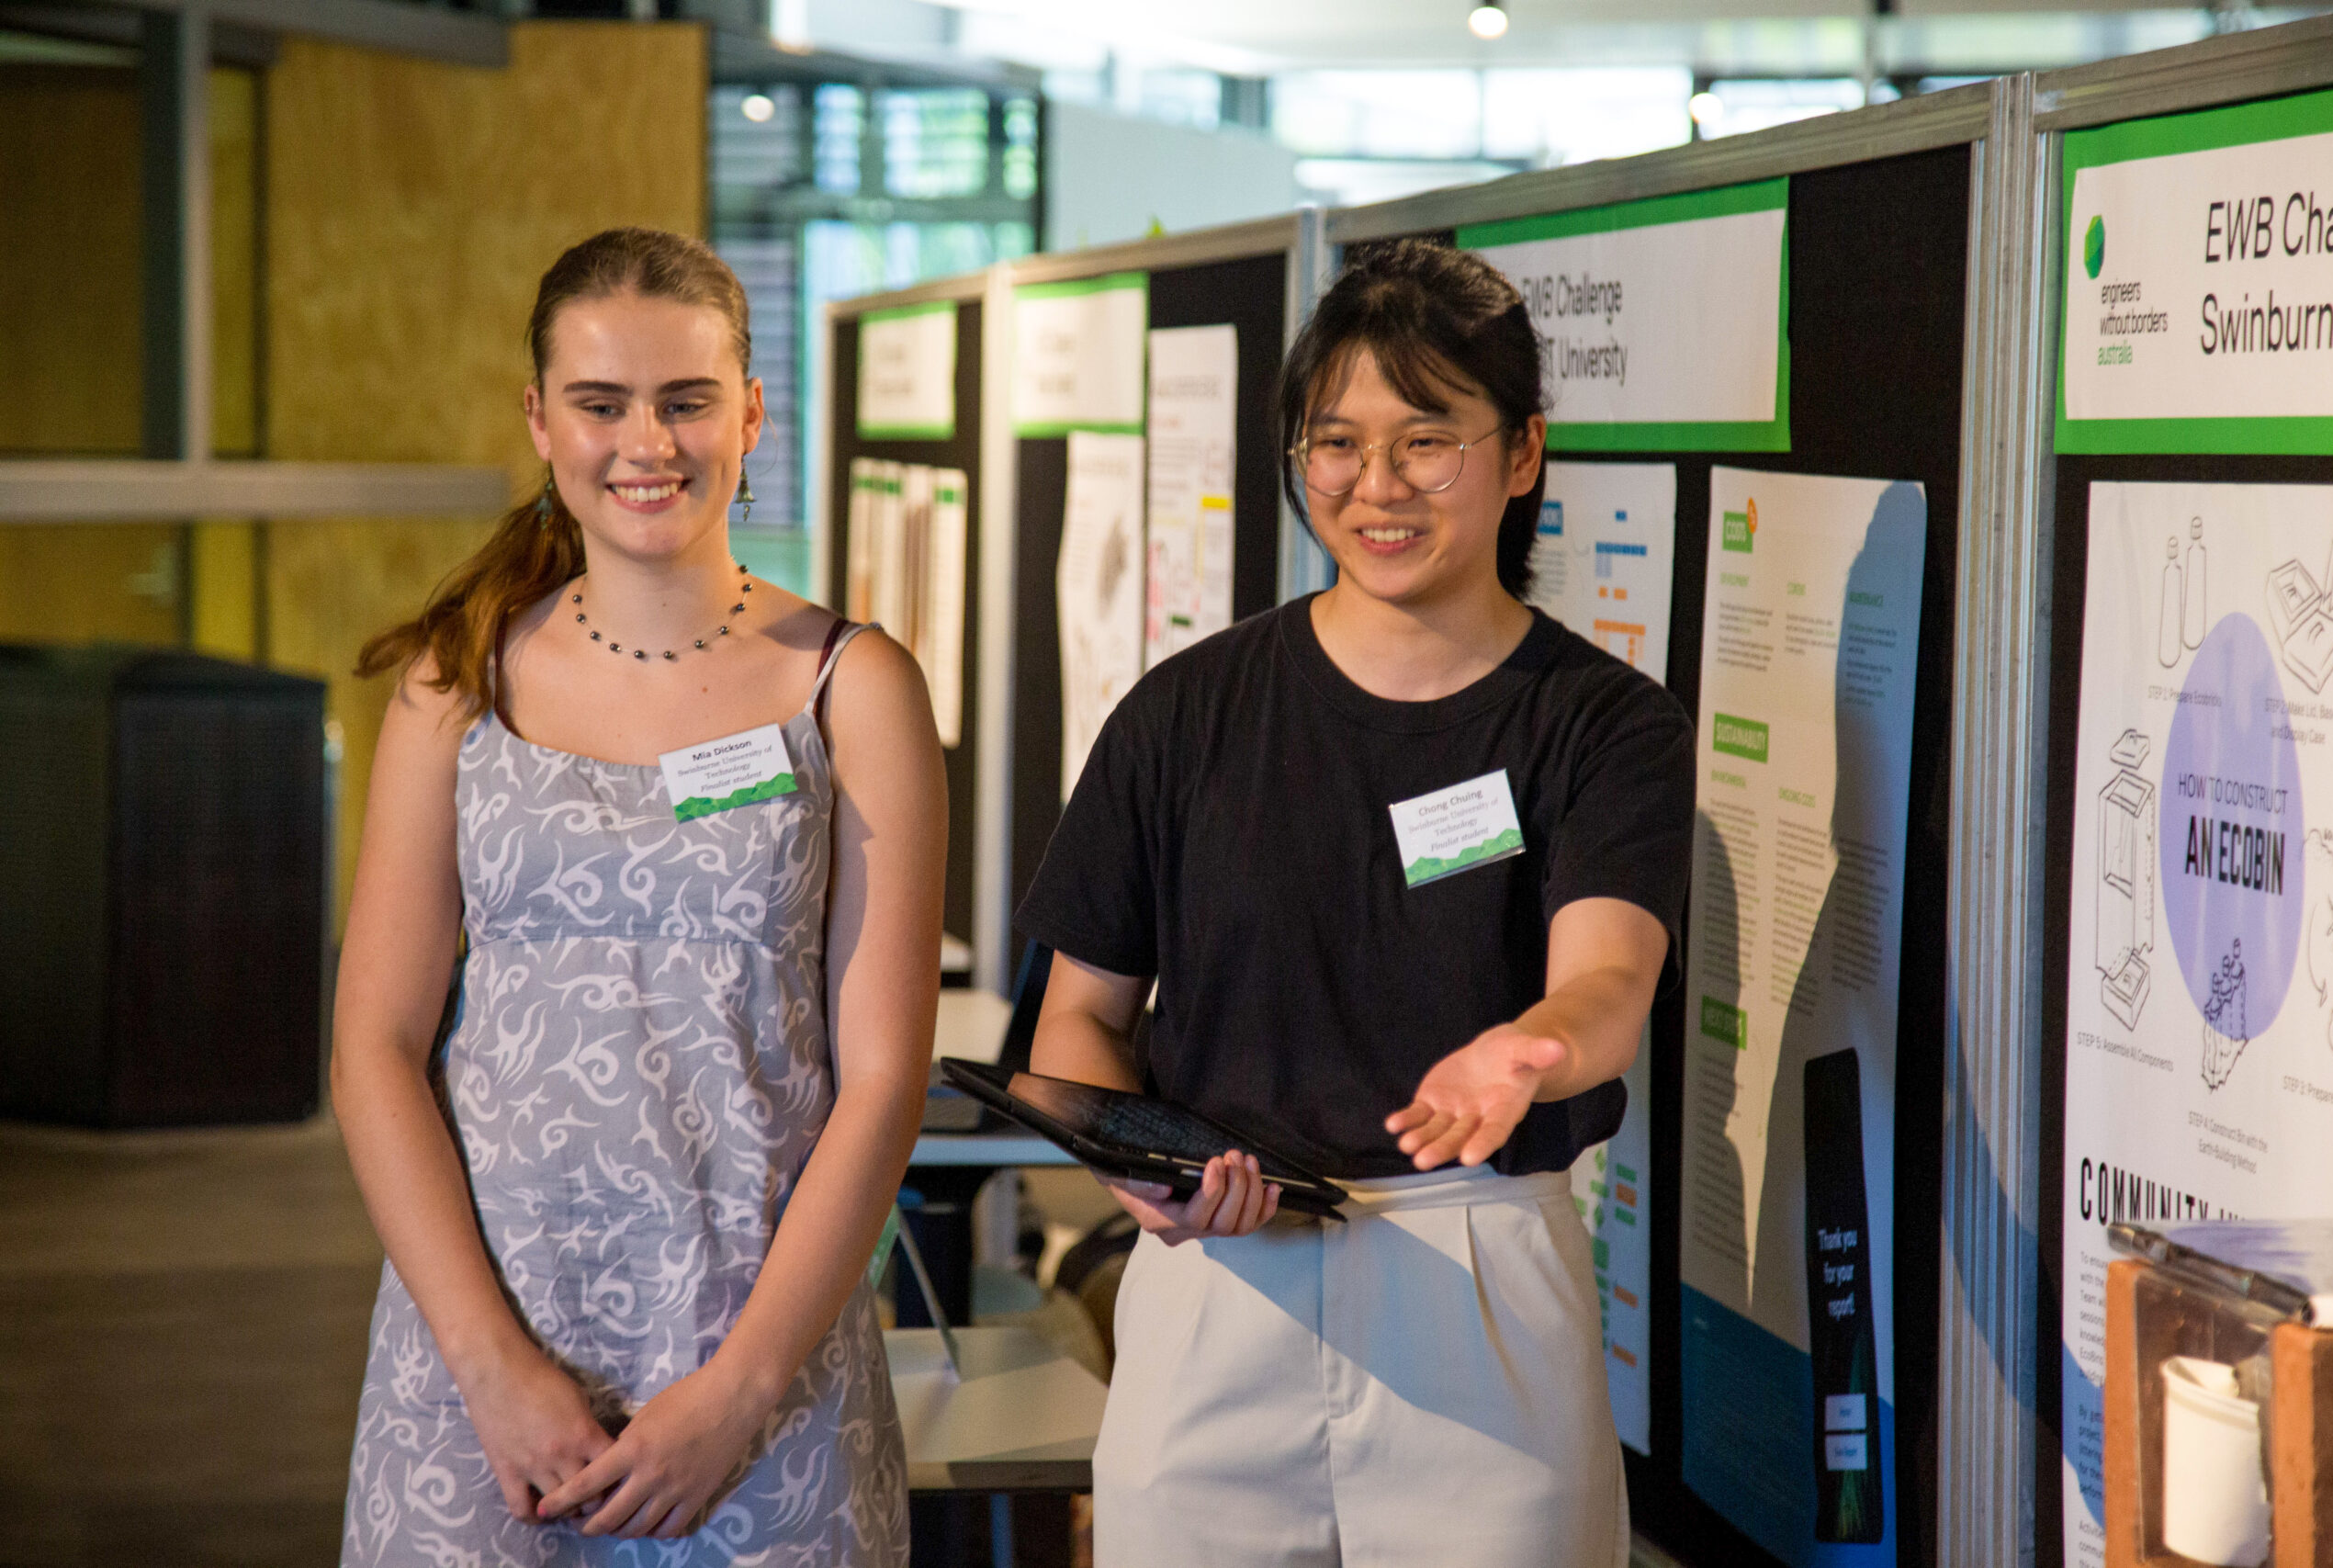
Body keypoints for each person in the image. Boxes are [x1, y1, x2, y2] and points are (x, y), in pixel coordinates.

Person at [1017, 238, 1695, 1567]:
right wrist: (1138, 1161)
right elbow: (1078, 1020)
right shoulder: (1186, 713)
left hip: (1479, 1285)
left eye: (1426, 440)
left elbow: (1609, 980)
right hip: (1221, 1272)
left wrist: (1531, 1048)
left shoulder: (1605, 724)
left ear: (1522, 453)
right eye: (1335, 443)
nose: (1375, 487)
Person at [332, 227, 943, 1564]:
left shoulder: (855, 687)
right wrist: (491, 1368)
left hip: (755, 1368)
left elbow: (885, 1078)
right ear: (541, 420)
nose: (645, 443)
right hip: (482, 1361)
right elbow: (373, 1048)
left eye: (686, 400)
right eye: (602, 404)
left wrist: (739, 1395)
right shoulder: (457, 681)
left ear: (750, 413)